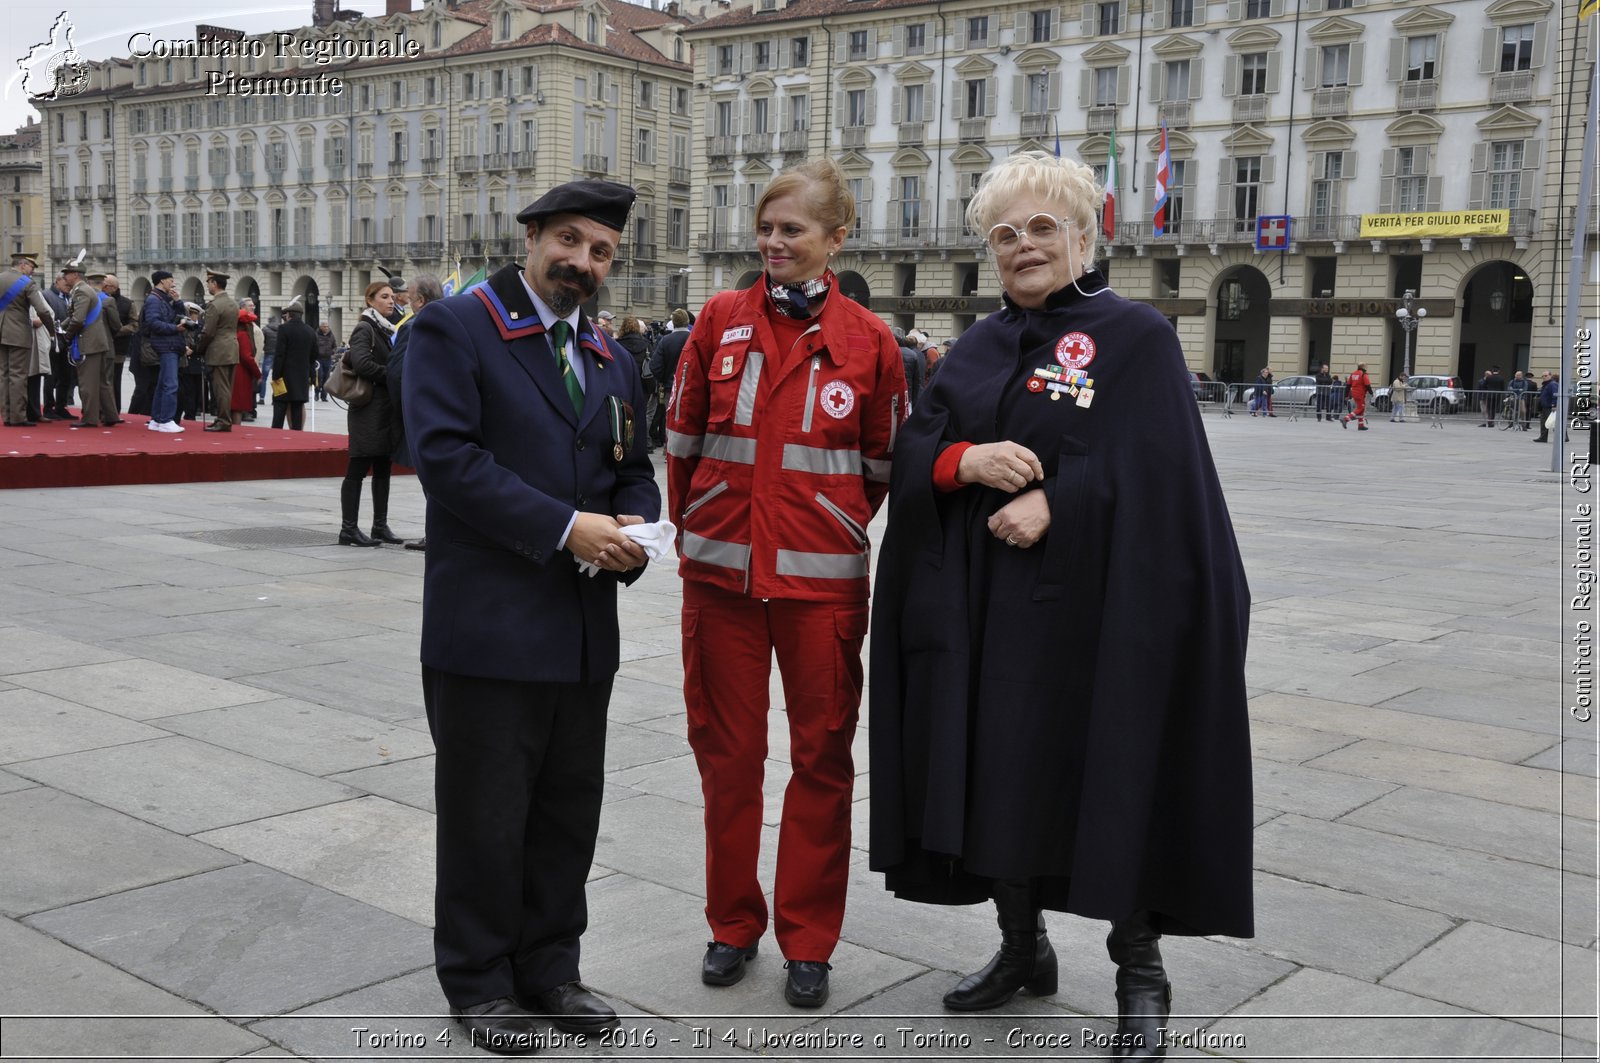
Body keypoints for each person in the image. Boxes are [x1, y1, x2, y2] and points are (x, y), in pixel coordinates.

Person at [868, 152, 1252, 1055]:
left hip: (1102, 622)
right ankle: (1020, 946)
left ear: (1084, 237)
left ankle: (1140, 976)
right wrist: (963, 462)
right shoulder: (976, 346)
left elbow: (1168, 477)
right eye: (1005, 235)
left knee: (1114, 781)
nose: (1023, 246)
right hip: (988, 620)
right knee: (997, 775)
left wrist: (1062, 499)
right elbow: (920, 451)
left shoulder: (1136, 336)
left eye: (1043, 228)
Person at [403, 179, 659, 1052]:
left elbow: (631, 460)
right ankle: (478, 980)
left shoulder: (612, 356)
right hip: (490, 628)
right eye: (573, 242)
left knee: (565, 811)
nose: (583, 263)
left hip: (583, 631)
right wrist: (565, 527)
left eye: (601, 254)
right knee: (486, 812)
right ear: (534, 236)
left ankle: (551, 968)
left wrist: (635, 521)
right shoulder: (458, 328)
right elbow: (447, 460)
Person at [666, 158, 907, 1009]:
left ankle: (810, 939)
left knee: (822, 762)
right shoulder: (719, 318)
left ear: (835, 239)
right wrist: (703, 528)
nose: (773, 242)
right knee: (727, 760)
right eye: (766, 228)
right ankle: (733, 924)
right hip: (721, 579)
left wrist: (832, 526)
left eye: (792, 229)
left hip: (822, 588)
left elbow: (879, 465)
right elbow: (683, 438)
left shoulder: (871, 342)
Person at [338, 281, 403, 547]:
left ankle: (379, 526)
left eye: (392, 297)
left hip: (382, 410)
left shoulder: (383, 329)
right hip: (367, 410)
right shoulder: (365, 328)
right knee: (358, 468)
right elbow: (362, 363)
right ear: (370, 300)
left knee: (383, 469)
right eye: (385, 297)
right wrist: (393, 375)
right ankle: (348, 529)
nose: (391, 301)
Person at [385, 271, 444, 552]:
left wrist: (401, 408)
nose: (407, 302)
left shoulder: (415, 325)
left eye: (409, 296)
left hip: (422, 412)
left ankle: (435, 534)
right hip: (450, 410)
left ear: (419, 300)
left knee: (430, 477)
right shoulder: (453, 321)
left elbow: (396, 372)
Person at [0, 252, 56, 427]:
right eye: (31, 267)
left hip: (1, 332)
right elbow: (43, 310)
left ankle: (7, 415)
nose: (32, 272)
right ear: (23, 265)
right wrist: (51, 330)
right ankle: (18, 417)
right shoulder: (27, 283)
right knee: (18, 376)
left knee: (4, 375)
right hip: (18, 334)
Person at [61, 268, 121, 428]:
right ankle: (110, 415)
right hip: (98, 342)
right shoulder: (86, 290)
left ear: (75, 275)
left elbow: (78, 319)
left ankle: (90, 418)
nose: (64, 277)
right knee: (102, 382)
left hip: (88, 343)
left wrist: (67, 336)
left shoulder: (81, 291)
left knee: (87, 383)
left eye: (66, 274)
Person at [142, 271, 188, 433]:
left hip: (168, 344)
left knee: (163, 384)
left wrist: (177, 302)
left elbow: (177, 315)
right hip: (166, 345)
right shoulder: (154, 299)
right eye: (170, 280)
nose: (173, 283)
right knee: (171, 384)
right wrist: (175, 328)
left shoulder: (162, 298)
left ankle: (156, 419)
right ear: (162, 281)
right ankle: (166, 419)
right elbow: (153, 323)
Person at [197, 270, 240, 432]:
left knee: (220, 387)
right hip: (232, 348)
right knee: (227, 387)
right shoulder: (233, 303)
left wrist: (199, 348)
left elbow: (208, 332)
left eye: (208, 282)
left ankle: (223, 420)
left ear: (214, 284)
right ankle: (224, 418)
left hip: (218, 350)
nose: (207, 285)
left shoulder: (215, 305)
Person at [649, 308, 691, 447]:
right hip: (691, 385)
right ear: (687, 321)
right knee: (689, 416)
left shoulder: (666, 340)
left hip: (669, 386)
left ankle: (669, 448)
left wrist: (662, 379)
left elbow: (654, 365)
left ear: (673, 322)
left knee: (670, 416)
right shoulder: (694, 338)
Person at [271, 302, 316, 431]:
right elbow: (313, 356)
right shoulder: (310, 331)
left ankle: (275, 436)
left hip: (283, 376)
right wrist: (312, 375)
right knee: (297, 409)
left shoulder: (284, 329)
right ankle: (297, 435)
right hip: (301, 377)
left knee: (279, 409)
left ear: (289, 315)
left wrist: (276, 376)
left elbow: (280, 354)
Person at [42, 265, 76, 420]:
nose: (68, 284)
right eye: (66, 281)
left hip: (67, 342)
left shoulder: (71, 296)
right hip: (52, 341)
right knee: (51, 376)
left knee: (66, 376)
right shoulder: (46, 295)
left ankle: (61, 407)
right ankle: (48, 407)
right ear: (57, 281)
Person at [615, 315, 654, 453]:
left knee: (622, 414)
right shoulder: (646, 345)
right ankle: (640, 445)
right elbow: (653, 365)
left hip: (622, 383)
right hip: (642, 385)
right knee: (640, 414)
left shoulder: (617, 344)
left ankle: (622, 443)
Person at [103, 274, 134, 414]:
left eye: (106, 285)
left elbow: (135, 324)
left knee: (114, 381)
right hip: (101, 346)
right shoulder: (99, 299)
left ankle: (115, 410)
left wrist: (118, 330)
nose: (103, 287)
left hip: (118, 349)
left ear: (113, 288)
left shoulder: (127, 303)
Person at [229, 300, 262, 426]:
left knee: (233, 403)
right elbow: (247, 357)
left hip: (233, 370)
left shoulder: (233, 333)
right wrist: (258, 374)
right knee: (237, 406)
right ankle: (237, 428)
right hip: (241, 373)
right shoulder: (243, 335)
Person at [1342, 363, 1372, 430]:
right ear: (1363, 367)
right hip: (1360, 394)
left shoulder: (1353, 374)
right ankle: (1346, 419)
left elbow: (1348, 385)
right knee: (1360, 408)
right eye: (1366, 366)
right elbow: (1367, 385)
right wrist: (1371, 392)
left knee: (1361, 408)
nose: (1367, 368)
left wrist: (1346, 395)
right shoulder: (1363, 374)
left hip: (1354, 393)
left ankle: (1360, 425)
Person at [1534, 371, 1561, 443]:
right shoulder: (1546, 384)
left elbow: (1555, 395)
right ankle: (1543, 437)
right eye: (1543, 376)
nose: (1544, 377)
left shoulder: (1552, 384)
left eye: (1546, 375)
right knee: (1545, 422)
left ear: (1550, 376)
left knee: (1554, 422)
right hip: (1545, 406)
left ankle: (1563, 437)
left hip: (1549, 407)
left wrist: (1554, 405)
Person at [315, 320, 337, 400]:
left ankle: (324, 396)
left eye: (327, 326)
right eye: (324, 326)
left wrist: (332, 352)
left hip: (328, 359)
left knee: (326, 377)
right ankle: (316, 393)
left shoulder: (331, 335)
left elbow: (335, 346)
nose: (326, 328)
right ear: (320, 327)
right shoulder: (316, 335)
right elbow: (313, 346)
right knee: (319, 376)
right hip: (318, 359)